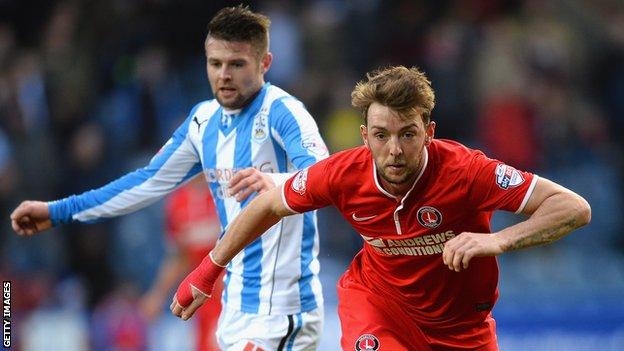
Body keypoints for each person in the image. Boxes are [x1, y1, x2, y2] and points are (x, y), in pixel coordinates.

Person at [170, 66, 591, 351]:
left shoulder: (468, 172)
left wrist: (497, 240)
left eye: (407, 134)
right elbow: (267, 204)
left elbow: (572, 207)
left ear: (429, 133)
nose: (394, 150)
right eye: (381, 135)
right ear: (364, 136)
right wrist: (208, 271)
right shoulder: (341, 174)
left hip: (463, 330)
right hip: (379, 306)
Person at [10, 5, 328, 351]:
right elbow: (142, 183)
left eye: (237, 64)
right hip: (231, 311)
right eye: (215, 63)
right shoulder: (202, 122)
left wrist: (278, 182)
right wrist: (58, 211)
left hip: (281, 310)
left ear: (265, 63)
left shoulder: (285, 112)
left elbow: (324, 175)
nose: (223, 75)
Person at [140, 175, 223, 351]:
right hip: (201, 297)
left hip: (230, 290)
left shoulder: (224, 193)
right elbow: (178, 257)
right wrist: (157, 295)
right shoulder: (177, 202)